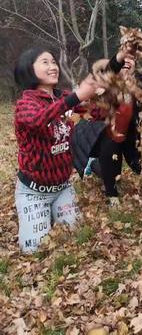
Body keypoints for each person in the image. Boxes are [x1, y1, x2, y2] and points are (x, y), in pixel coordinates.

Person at [13, 48, 97, 253]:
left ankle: (54, 212)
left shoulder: (63, 97)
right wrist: (75, 97)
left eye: (53, 62)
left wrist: (97, 96)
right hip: (33, 191)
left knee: (77, 238)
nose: (53, 67)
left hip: (62, 188)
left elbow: (93, 112)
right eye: (45, 62)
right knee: (34, 251)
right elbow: (38, 119)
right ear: (29, 69)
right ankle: (41, 215)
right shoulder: (25, 104)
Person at [72, 49, 142, 206]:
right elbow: (109, 70)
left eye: (131, 59)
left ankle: (94, 165)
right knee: (109, 166)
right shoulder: (107, 80)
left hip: (127, 132)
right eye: (124, 59)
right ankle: (111, 195)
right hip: (104, 131)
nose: (128, 61)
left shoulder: (136, 82)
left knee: (116, 172)